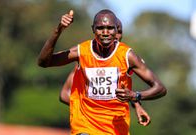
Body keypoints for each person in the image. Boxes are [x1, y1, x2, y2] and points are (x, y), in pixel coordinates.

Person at [38, 9, 167, 135]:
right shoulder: (82, 53)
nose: (105, 32)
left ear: (116, 30)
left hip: (115, 127)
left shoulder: (127, 56)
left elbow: (160, 88)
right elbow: (44, 62)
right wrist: (58, 29)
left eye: (111, 28)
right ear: (93, 29)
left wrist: (136, 99)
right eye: (100, 28)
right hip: (85, 124)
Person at [59, 18, 151, 126]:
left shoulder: (126, 59)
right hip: (88, 124)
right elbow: (64, 94)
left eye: (119, 32)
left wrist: (138, 106)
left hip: (116, 124)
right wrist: (89, 110)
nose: (116, 36)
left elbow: (123, 90)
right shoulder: (87, 60)